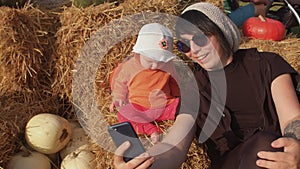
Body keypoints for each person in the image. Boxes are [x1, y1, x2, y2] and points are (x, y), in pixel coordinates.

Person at [112, 2, 300, 169]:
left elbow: (293, 117)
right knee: (265, 145)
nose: (193, 51)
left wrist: (295, 145)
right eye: (184, 46)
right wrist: (148, 163)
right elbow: (174, 145)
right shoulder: (193, 88)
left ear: (221, 32)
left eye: (200, 39)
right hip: (230, 163)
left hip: (274, 156)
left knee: (268, 145)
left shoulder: (267, 64)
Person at [109, 23, 180, 144]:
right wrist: (118, 97)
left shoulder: (168, 66)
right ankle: (151, 130)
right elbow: (120, 83)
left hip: (164, 105)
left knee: (184, 106)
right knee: (123, 114)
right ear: (138, 54)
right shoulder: (130, 67)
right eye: (150, 61)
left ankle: (179, 127)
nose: (156, 65)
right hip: (139, 107)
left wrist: (179, 96)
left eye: (160, 61)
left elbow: (174, 82)